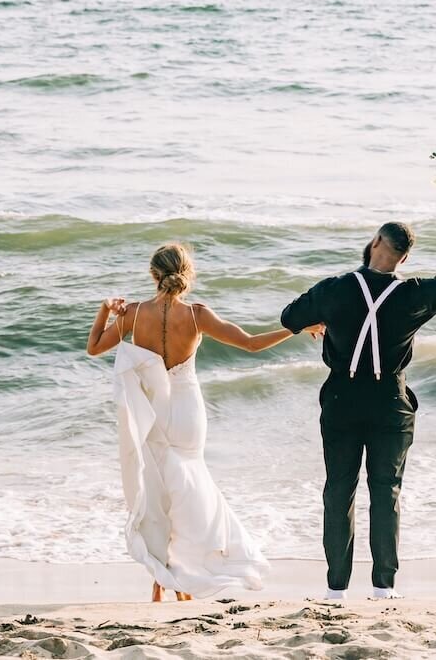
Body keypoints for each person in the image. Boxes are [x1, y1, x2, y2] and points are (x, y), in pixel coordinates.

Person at [280, 180, 436, 599]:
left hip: (342, 399)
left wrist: (317, 320)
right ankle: (384, 587)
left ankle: (336, 590)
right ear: (405, 257)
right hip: (390, 403)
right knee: (386, 491)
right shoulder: (414, 295)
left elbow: (289, 317)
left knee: (339, 491)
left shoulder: (335, 288)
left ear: (377, 242)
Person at [87, 242, 322, 601]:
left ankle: (162, 578)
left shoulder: (133, 313)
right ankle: (187, 573)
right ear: (187, 273)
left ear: (153, 274)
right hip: (187, 412)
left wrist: (105, 309)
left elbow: (94, 348)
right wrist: (297, 328)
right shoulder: (198, 315)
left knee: (158, 495)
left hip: (152, 413)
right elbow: (251, 344)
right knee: (191, 492)